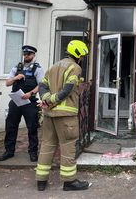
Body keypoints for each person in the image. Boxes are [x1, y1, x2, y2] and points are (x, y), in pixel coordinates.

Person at [36, 40, 90, 192]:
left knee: (47, 144)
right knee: (68, 147)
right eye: (83, 56)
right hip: (66, 116)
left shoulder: (54, 66)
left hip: (48, 115)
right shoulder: (75, 67)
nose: (83, 59)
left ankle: (41, 181)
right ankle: (69, 182)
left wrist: (46, 100)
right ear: (78, 54)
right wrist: (52, 101)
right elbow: (68, 88)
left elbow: (42, 85)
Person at [0, 45, 45, 162]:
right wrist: (16, 78)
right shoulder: (16, 67)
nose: (26, 56)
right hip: (16, 101)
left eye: (28, 54)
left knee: (32, 127)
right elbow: (7, 83)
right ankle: (9, 151)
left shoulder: (37, 68)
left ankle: (33, 152)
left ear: (33, 55)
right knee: (11, 126)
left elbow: (41, 85)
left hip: (30, 101)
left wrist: (31, 93)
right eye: (25, 54)